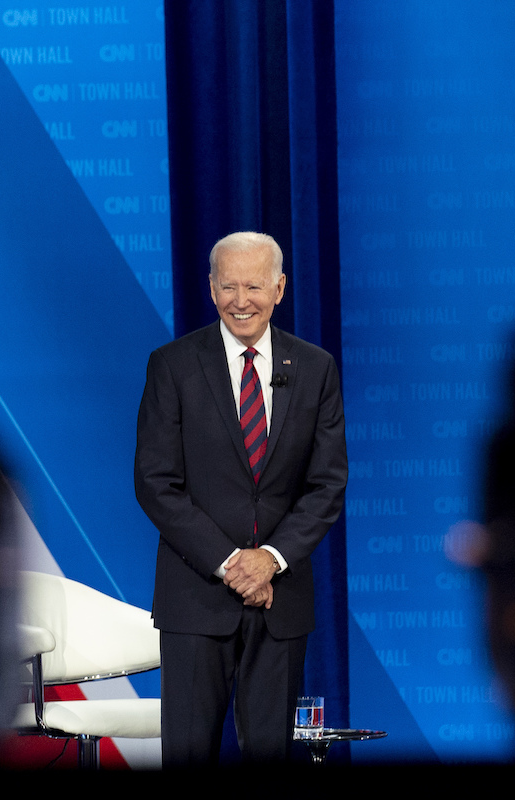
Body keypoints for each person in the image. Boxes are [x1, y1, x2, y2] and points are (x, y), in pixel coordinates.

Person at [135, 231, 347, 766]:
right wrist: (231, 564)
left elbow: (327, 484)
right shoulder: (173, 365)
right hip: (195, 599)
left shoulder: (315, 368)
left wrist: (270, 560)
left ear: (279, 288)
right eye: (228, 287)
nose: (241, 300)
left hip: (280, 600)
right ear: (210, 289)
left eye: (253, 286)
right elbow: (155, 482)